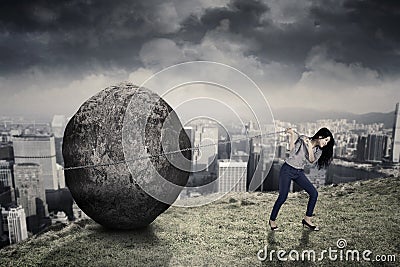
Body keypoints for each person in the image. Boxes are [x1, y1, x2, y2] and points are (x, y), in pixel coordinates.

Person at [268, 127, 334, 231]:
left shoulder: (318, 151)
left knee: (314, 193)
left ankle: (307, 219)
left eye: (328, 142)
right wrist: (292, 135)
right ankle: (272, 221)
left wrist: (308, 145)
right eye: (326, 140)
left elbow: (311, 160)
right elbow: (292, 150)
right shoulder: (303, 138)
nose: (326, 143)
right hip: (287, 169)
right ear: (320, 137)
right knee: (283, 197)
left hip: (298, 172)